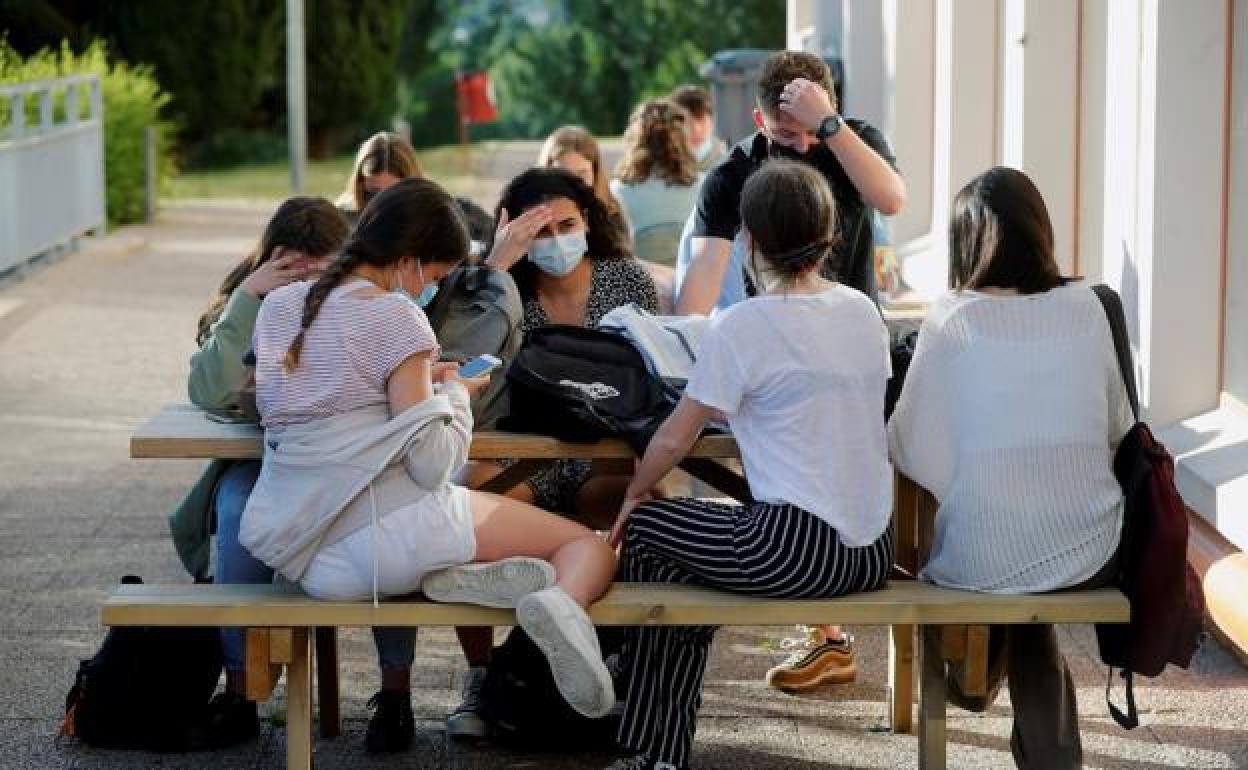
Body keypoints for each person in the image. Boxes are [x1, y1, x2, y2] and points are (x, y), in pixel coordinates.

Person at [241, 178, 618, 750]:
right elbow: (434, 466)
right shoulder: (396, 319)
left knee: (472, 532)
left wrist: (418, 381)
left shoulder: (281, 308)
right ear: (410, 261)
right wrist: (457, 396)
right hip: (388, 537)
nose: (433, 289)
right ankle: (557, 604)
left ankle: (457, 579)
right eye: (437, 277)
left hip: (311, 557)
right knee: (588, 547)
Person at [603, 160, 895, 770]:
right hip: (872, 548)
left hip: (799, 549)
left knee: (651, 533)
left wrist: (634, 493)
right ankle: (650, 732)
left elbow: (672, 441)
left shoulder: (741, 326)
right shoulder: (862, 310)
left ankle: (642, 724)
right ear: (829, 234)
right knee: (685, 569)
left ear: (749, 240)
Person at [887, 167, 1131, 770]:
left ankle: (975, 680)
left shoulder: (951, 318)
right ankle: (1047, 752)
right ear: (1040, 233)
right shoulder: (1089, 308)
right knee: (1030, 593)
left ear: (964, 242)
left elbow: (910, 447)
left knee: (1007, 566)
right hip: (1096, 547)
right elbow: (1120, 428)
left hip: (985, 560)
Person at [170, 196, 349, 748]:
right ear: (270, 259)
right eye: (292, 269)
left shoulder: (363, 300)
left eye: (317, 272)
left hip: (343, 464)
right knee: (236, 509)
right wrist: (249, 300)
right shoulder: (241, 298)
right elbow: (208, 390)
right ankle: (242, 689)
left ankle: (396, 694)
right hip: (264, 458)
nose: (303, 286)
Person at [676, 50, 905, 315]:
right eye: (786, 134)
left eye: (812, 131)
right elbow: (703, 275)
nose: (803, 145)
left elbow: (892, 201)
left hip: (851, 323)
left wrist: (829, 125)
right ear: (760, 121)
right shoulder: (733, 173)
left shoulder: (855, 138)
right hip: (772, 330)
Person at [609, 99, 701, 267]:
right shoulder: (705, 186)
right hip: (692, 285)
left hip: (639, 287)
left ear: (634, 141)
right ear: (683, 139)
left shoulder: (616, 191)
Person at [537, 125, 631, 246]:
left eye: (582, 174)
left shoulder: (611, 212)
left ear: (595, 173)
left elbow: (623, 259)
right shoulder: (531, 214)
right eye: (563, 174)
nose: (572, 184)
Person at [336, 131, 422, 222]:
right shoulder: (342, 219)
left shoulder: (429, 218)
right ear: (360, 183)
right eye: (374, 194)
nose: (384, 205)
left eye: (394, 195)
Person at [669, 84, 727, 173]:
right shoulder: (661, 164)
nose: (696, 129)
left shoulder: (727, 161)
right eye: (687, 122)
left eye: (701, 120)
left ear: (712, 119)